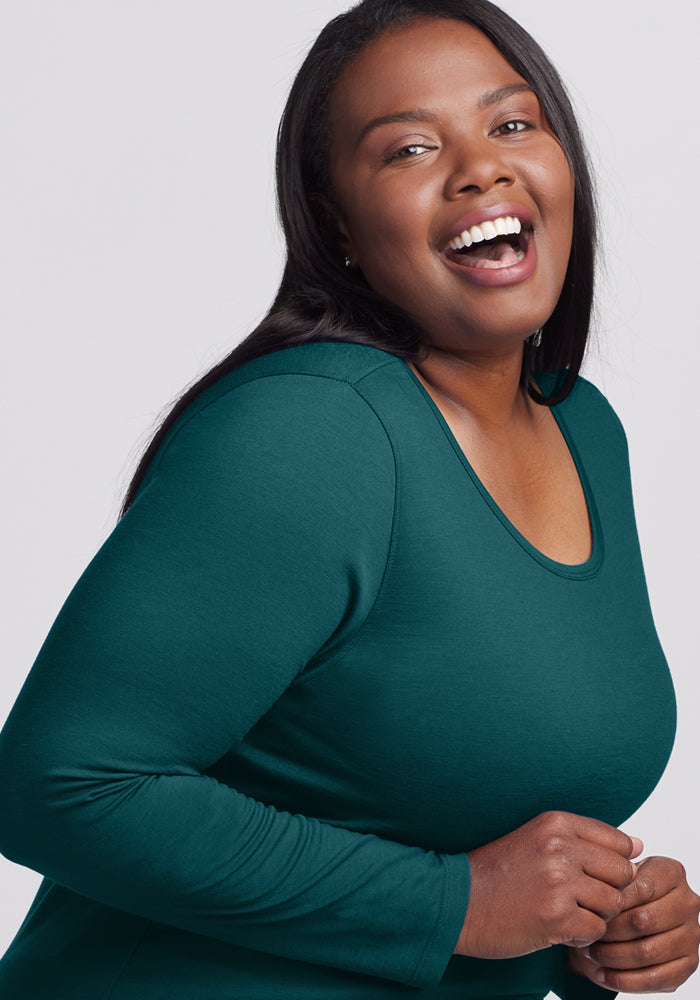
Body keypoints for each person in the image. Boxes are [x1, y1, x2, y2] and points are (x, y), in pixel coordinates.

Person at [0, 0, 697, 997]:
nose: (480, 168)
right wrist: (451, 902)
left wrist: (599, 925)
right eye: (410, 148)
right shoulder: (311, 431)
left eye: (512, 124)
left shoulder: (583, 428)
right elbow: (58, 787)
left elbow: (472, 818)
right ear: (339, 225)